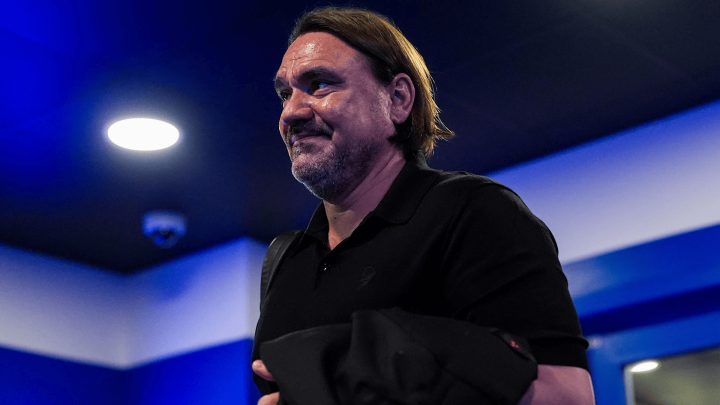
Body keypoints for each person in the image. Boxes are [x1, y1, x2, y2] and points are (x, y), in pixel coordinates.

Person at [252, 7, 595, 405]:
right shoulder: (284, 259)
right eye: (285, 94)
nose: (291, 112)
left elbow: (567, 396)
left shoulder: (473, 211)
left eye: (320, 84)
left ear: (397, 99)